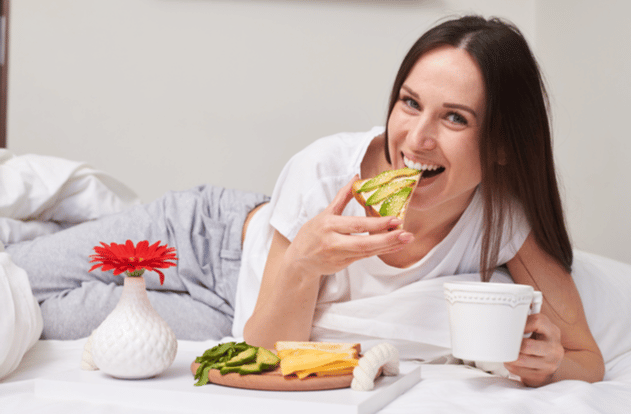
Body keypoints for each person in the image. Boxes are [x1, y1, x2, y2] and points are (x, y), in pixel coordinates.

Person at [5, 15, 603, 387]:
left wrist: (549, 364)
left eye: (455, 117)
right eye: (410, 103)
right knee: (20, 272)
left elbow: (587, 359)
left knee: (33, 321)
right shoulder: (325, 169)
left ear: (500, 147)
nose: (416, 138)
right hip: (205, 239)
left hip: (236, 316)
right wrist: (301, 256)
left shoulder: (501, 221)